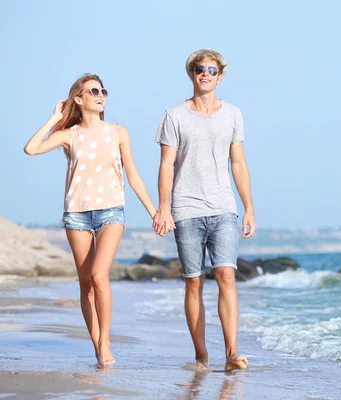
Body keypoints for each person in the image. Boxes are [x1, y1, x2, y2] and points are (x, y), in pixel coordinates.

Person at [24, 74, 158, 367]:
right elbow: (31, 148)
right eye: (94, 91)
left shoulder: (118, 131)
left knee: (99, 275)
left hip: (112, 211)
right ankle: (97, 345)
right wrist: (53, 118)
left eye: (103, 91)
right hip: (77, 215)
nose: (101, 95)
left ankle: (106, 342)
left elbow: (132, 174)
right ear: (78, 98)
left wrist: (154, 211)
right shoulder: (68, 135)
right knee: (85, 283)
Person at [153, 49, 255, 371]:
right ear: (192, 73)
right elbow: (166, 165)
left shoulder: (233, 115)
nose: (206, 74)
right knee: (193, 282)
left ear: (220, 76)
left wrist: (248, 207)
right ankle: (201, 355)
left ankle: (231, 353)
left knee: (226, 274)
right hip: (185, 209)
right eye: (200, 69)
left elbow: (238, 163)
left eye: (212, 70)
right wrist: (163, 208)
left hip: (224, 207)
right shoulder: (175, 116)